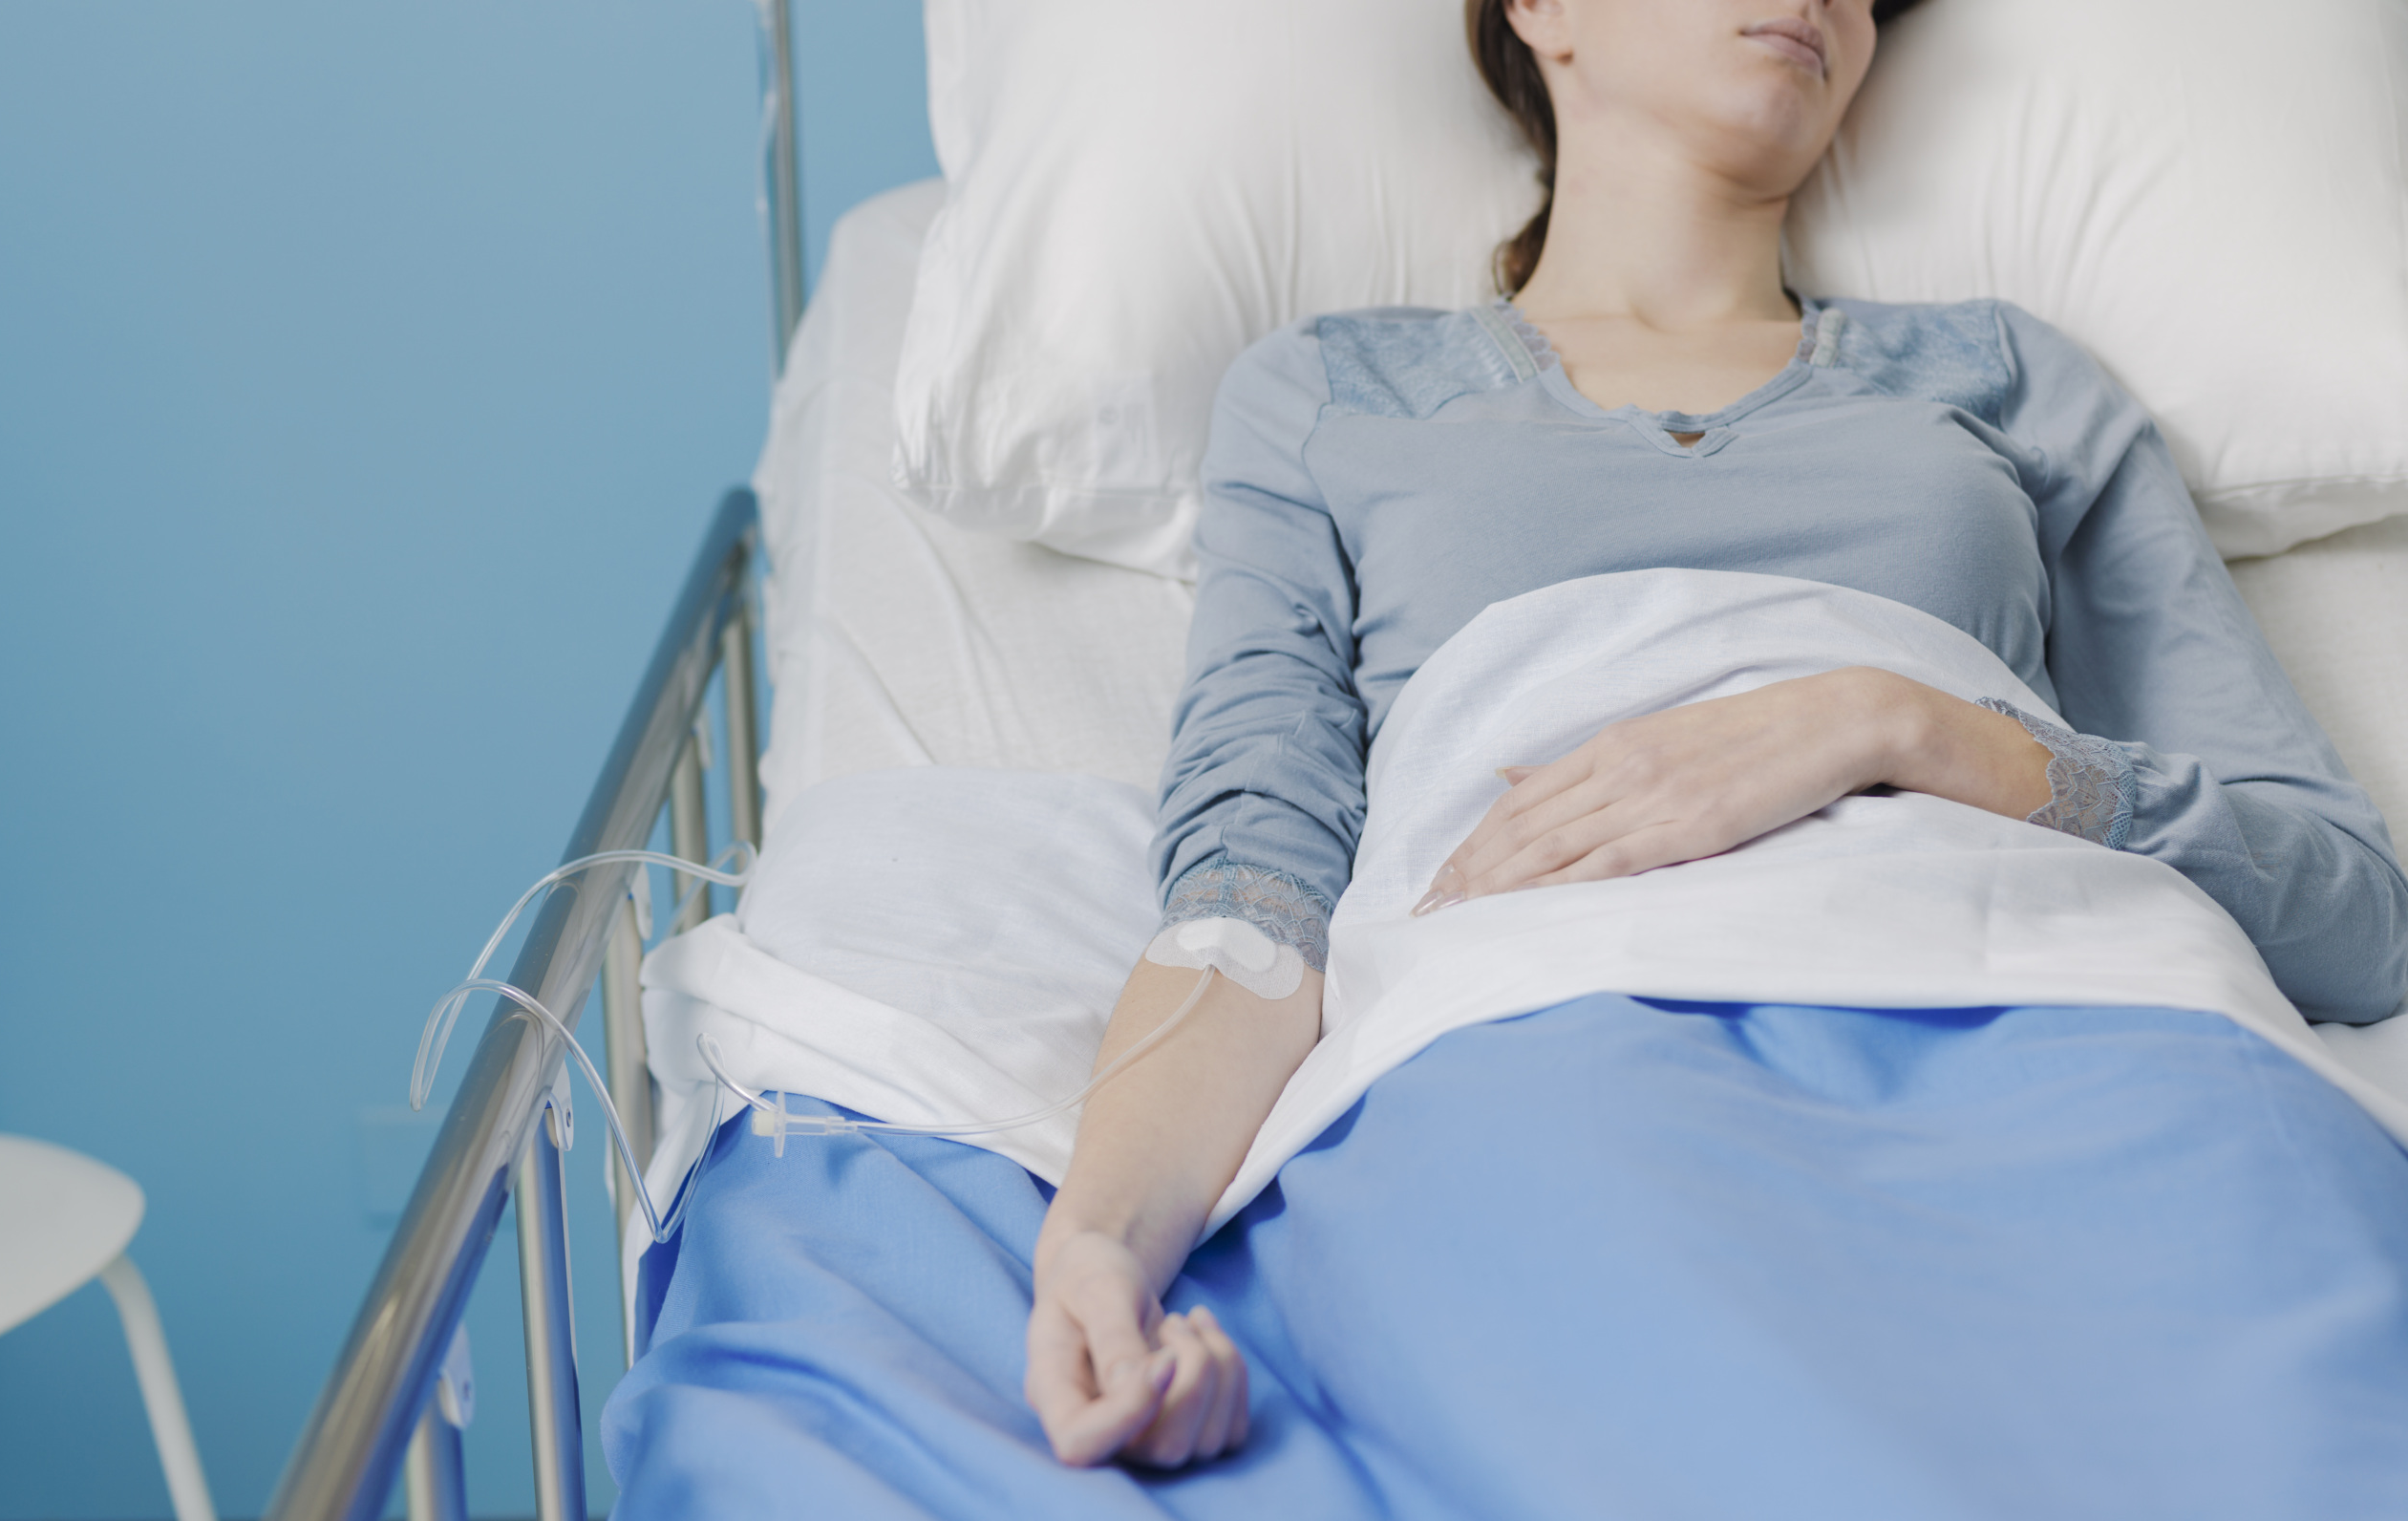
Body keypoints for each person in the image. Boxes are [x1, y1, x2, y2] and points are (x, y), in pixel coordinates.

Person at [1022, 0, 2408, 1470]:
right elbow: (1256, 890)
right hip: (1565, 1027)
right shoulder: (1330, 391)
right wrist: (1097, 1249)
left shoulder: (2008, 380)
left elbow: (2357, 921)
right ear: (1540, 10)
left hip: (2092, 1019)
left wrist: (1892, 720)